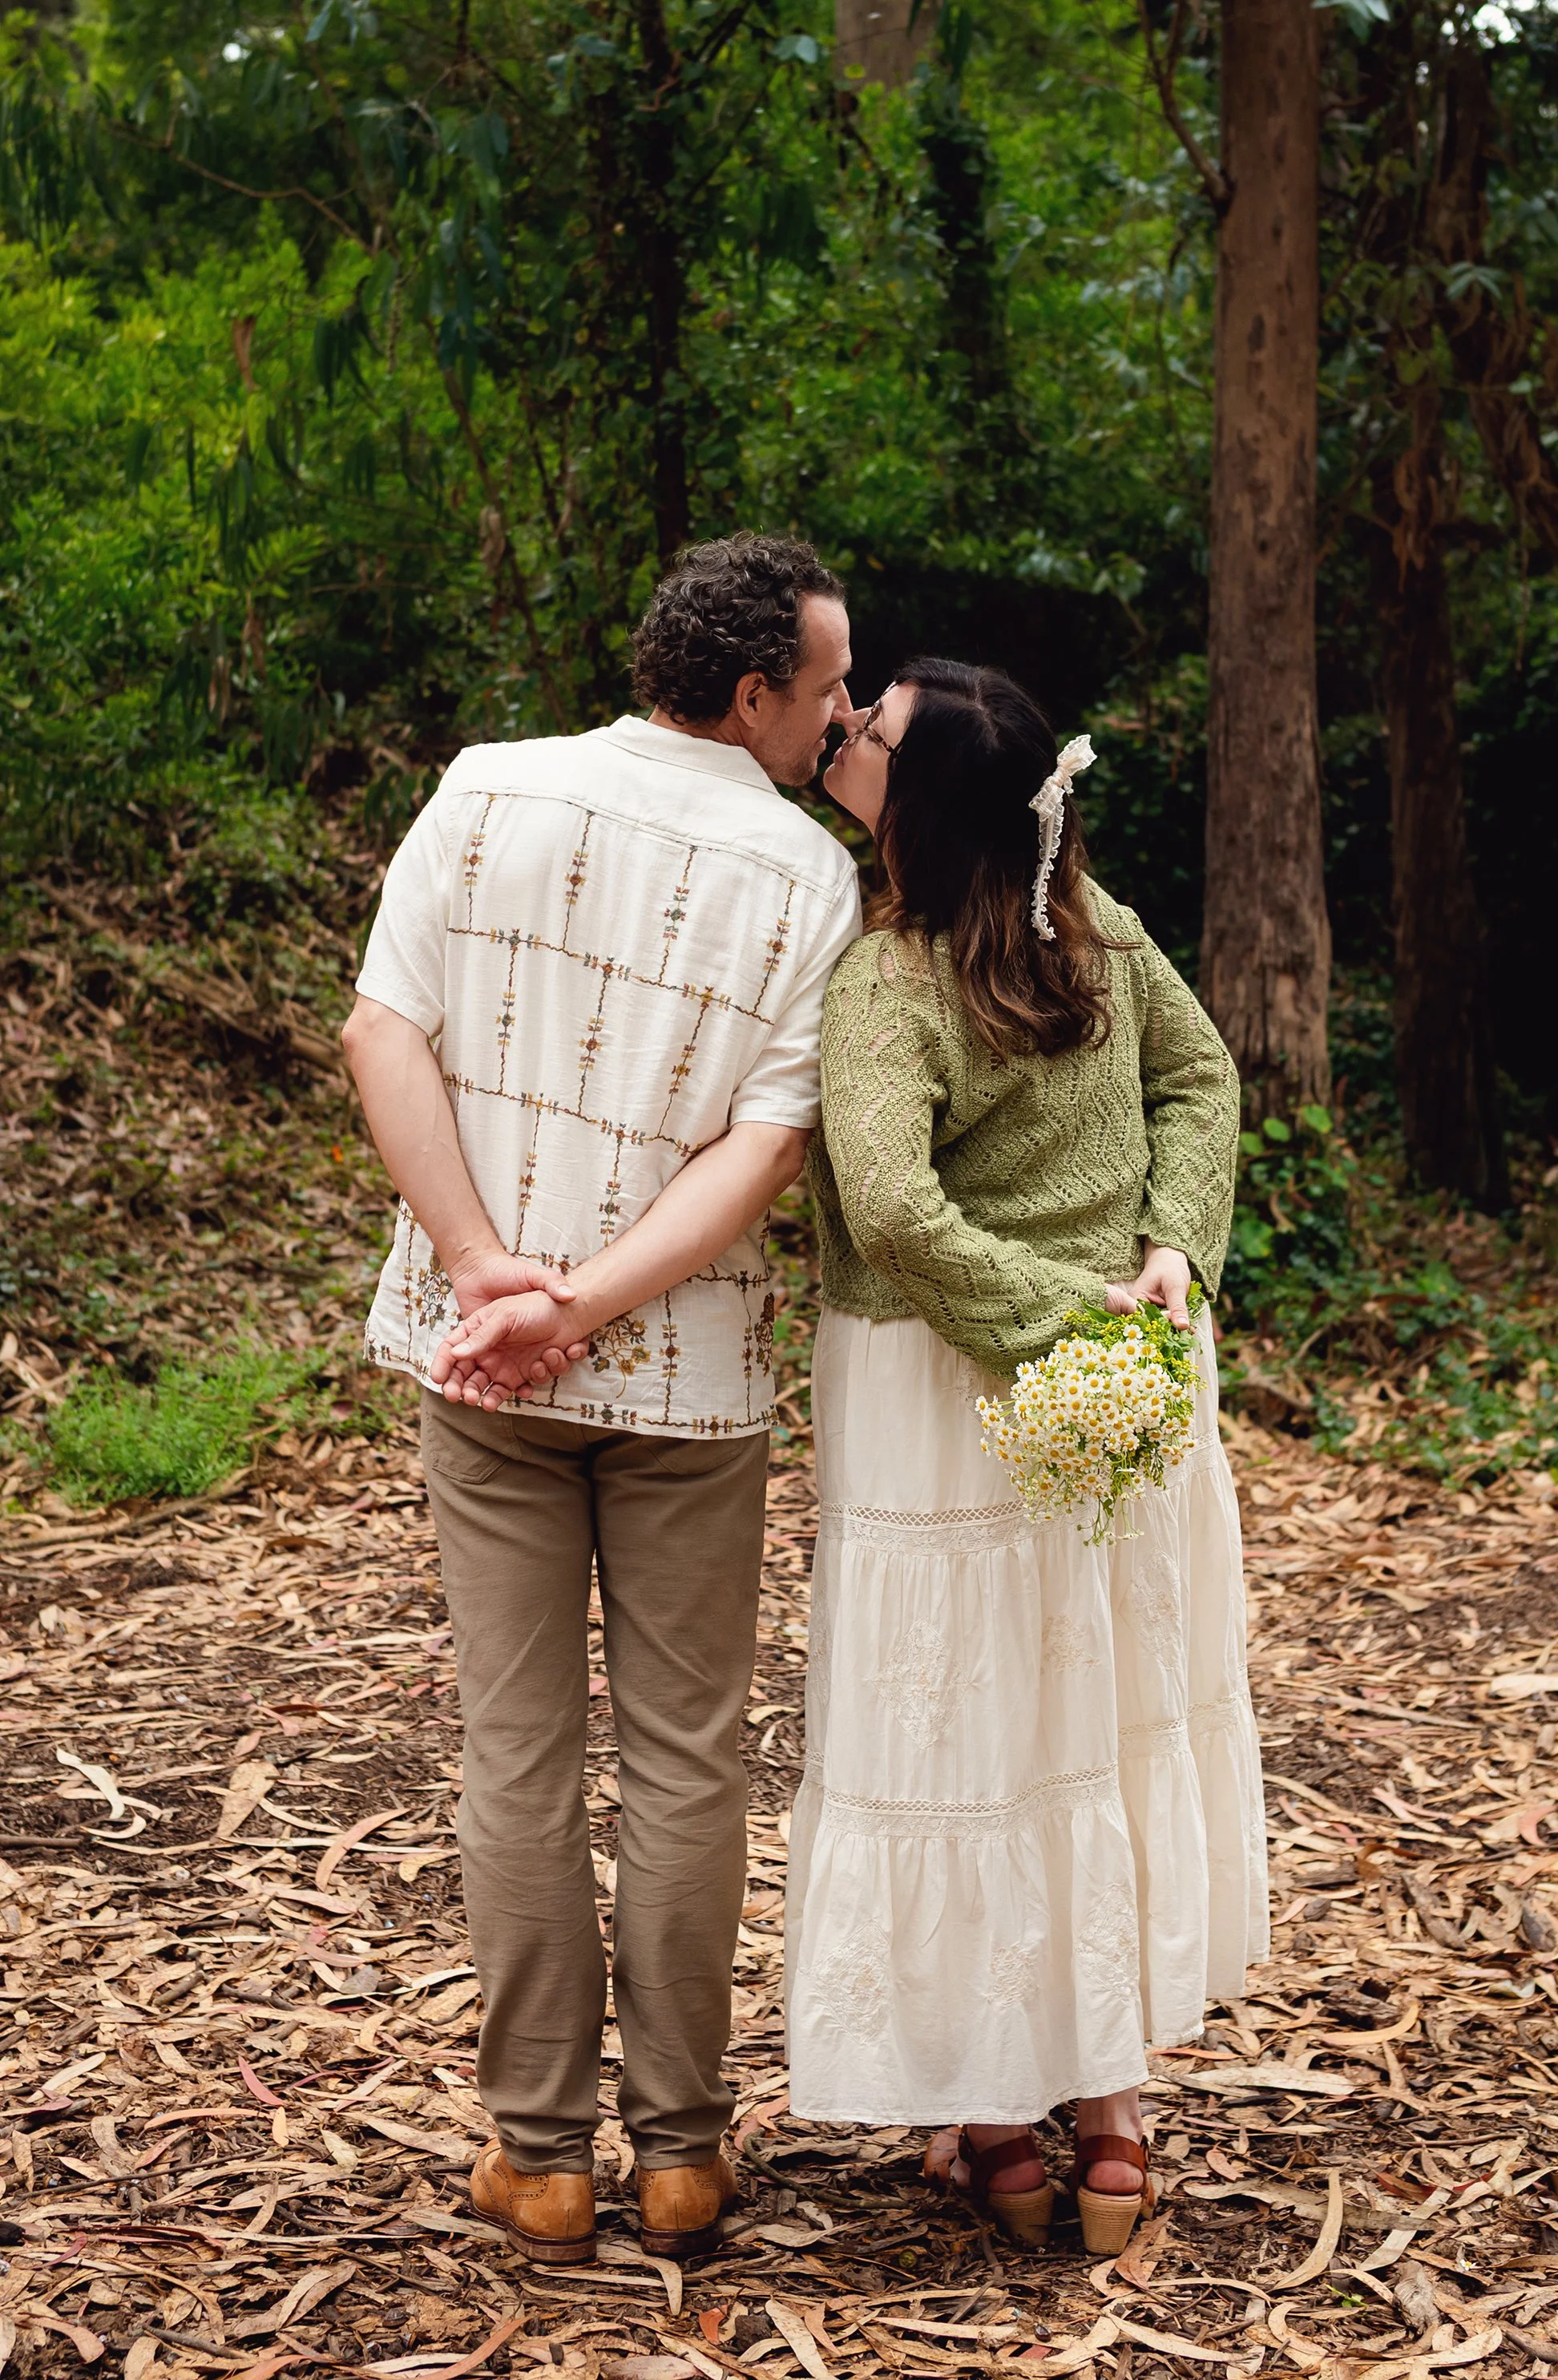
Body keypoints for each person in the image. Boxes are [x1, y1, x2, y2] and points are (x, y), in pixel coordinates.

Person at [342, 534, 862, 2267]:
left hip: (478, 1357)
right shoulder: (807, 874)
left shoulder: (484, 787)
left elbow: (381, 1035)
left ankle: (541, 2155)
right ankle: (687, 2156)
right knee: (685, 1754)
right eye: (824, 686)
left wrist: (495, 1274)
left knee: (518, 1744)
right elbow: (764, 1147)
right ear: (747, 692)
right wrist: (591, 1300)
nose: (837, 715)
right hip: (685, 1379)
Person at [782, 659, 1266, 2257]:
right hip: (1126, 1376)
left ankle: (997, 2121)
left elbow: (899, 1210)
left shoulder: (888, 982)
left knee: (979, 1734)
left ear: (919, 809)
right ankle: (1111, 2128)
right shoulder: (1090, 929)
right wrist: (1159, 1281)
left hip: (949, 1386)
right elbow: (1203, 1080)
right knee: (1094, 1720)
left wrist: (1084, 1304)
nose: (844, 732)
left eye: (875, 731)